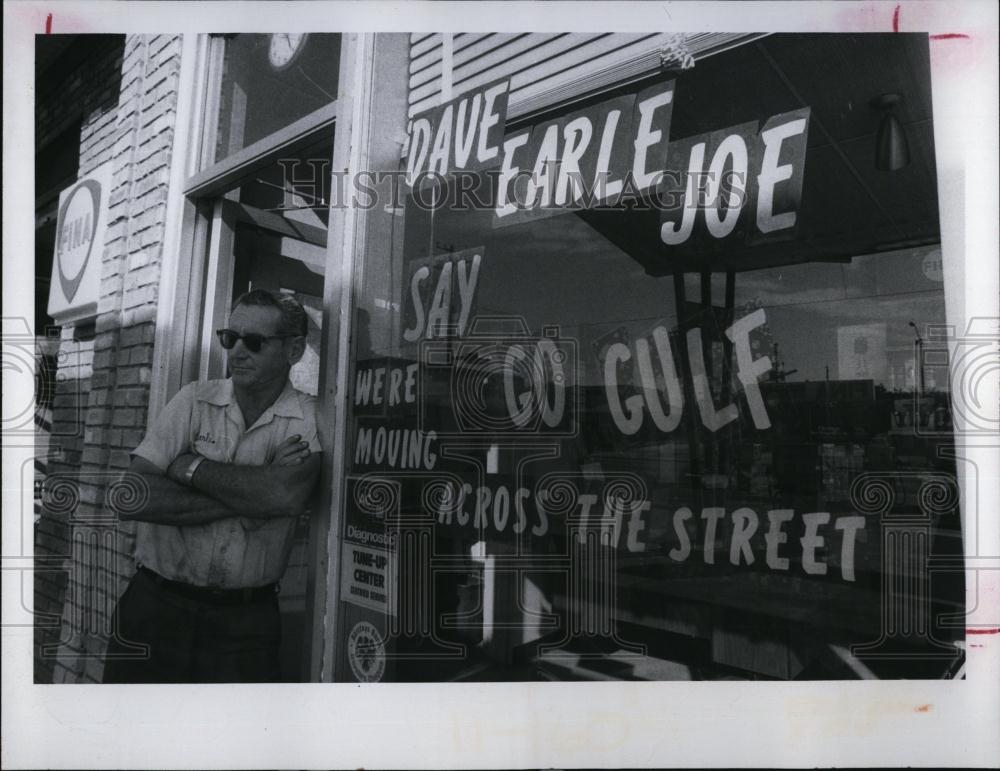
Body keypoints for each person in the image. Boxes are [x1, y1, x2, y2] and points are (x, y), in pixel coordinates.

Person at [103, 289, 322, 683]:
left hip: (245, 625)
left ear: (295, 351)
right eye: (229, 337)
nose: (237, 351)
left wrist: (187, 467)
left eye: (254, 342)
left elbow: (286, 495)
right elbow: (130, 496)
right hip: (155, 606)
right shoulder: (193, 401)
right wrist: (259, 492)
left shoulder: (310, 417)